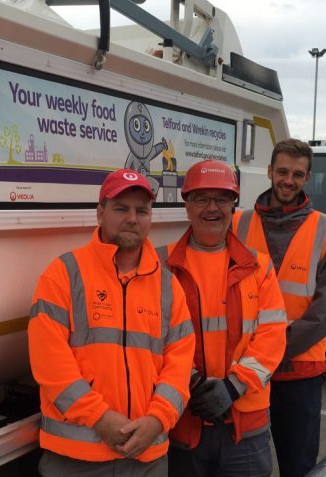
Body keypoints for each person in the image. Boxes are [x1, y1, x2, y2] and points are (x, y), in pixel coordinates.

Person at [28, 168, 195, 476]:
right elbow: (49, 363)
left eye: (141, 210)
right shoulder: (64, 274)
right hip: (75, 460)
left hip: (148, 457)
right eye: (121, 208)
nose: (132, 218)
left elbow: (180, 365)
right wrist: (99, 417)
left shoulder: (169, 287)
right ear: (100, 213)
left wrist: (157, 420)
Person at [161, 160, 288, 476]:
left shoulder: (259, 267)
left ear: (234, 204)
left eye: (221, 198)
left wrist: (232, 388)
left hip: (245, 425)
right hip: (183, 419)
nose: (211, 208)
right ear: (187, 206)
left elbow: (272, 337)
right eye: (202, 199)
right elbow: (151, 335)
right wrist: (191, 382)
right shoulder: (160, 266)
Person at [232, 138, 326, 477]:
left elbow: (324, 312)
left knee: (298, 467)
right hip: (244, 374)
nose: (288, 181)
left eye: (297, 174)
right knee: (244, 467)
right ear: (269, 171)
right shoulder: (237, 224)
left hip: (298, 375)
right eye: (282, 171)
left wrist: (267, 353)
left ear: (307, 178)